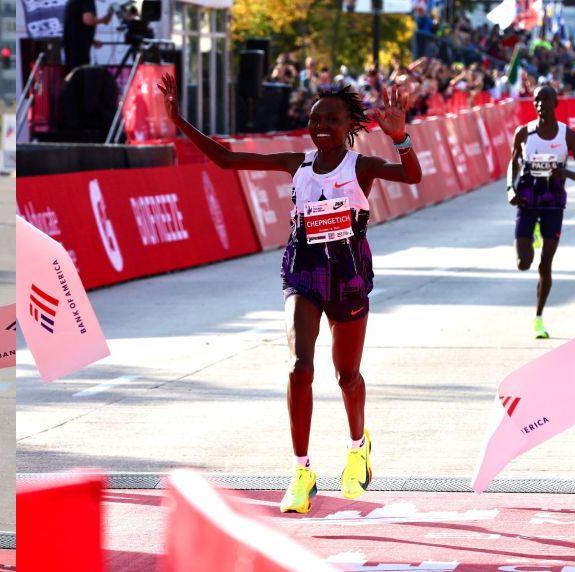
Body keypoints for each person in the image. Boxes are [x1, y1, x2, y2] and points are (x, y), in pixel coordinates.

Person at [158, 74, 423, 514]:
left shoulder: (359, 166)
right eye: (315, 119)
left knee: (346, 377)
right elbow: (226, 160)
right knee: (300, 367)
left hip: (349, 274)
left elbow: (411, 176)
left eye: (331, 120)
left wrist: (400, 138)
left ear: (349, 125)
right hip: (302, 271)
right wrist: (178, 120)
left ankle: (358, 446)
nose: (321, 127)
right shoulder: (296, 164)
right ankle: (302, 470)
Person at [506, 85, 575, 339]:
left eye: (546, 99)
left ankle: (538, 318)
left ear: (556, 103)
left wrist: (565, 173)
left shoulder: (568, 135)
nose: (541, 103)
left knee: (545, 265)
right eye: (536, 99)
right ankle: (533, 236)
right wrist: (511, 188)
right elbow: (513, 163)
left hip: (553, 203)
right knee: (523, 263)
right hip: (527, 201)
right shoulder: (523, 133)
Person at [62, 0, 113, 74]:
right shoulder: (87, 1)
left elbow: (76, 24)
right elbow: (88, 20)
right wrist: (104, 20)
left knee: (72, 73)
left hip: (72, 43)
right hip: (79, 46)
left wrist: (92, 40)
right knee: (80, 72)